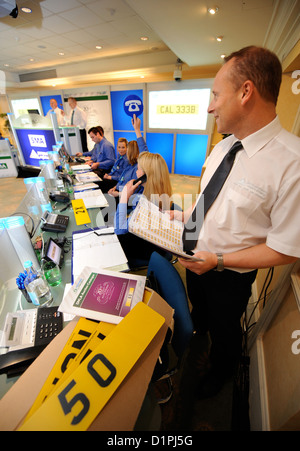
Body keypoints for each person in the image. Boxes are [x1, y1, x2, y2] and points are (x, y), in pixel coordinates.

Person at [168, 45, 300, 399]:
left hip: (229, 277)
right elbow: (212, 204)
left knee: (227, 334)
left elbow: (283, 250)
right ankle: (200, 336)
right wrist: (181, 216)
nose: (210, 106)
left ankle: (220, 374)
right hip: (193, 258)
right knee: (201, 316)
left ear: (245, 92)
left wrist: (218, 261)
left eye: (215, 95)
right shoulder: (223, 147)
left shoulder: (293, 164)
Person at [114, 152, 173, 267]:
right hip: (152, 244)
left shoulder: (148, 205)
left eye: (139, 169)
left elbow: (119, 231)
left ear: (146, 175)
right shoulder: (159, 194)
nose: (136, 172)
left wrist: (124, 198)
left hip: (145, 251)